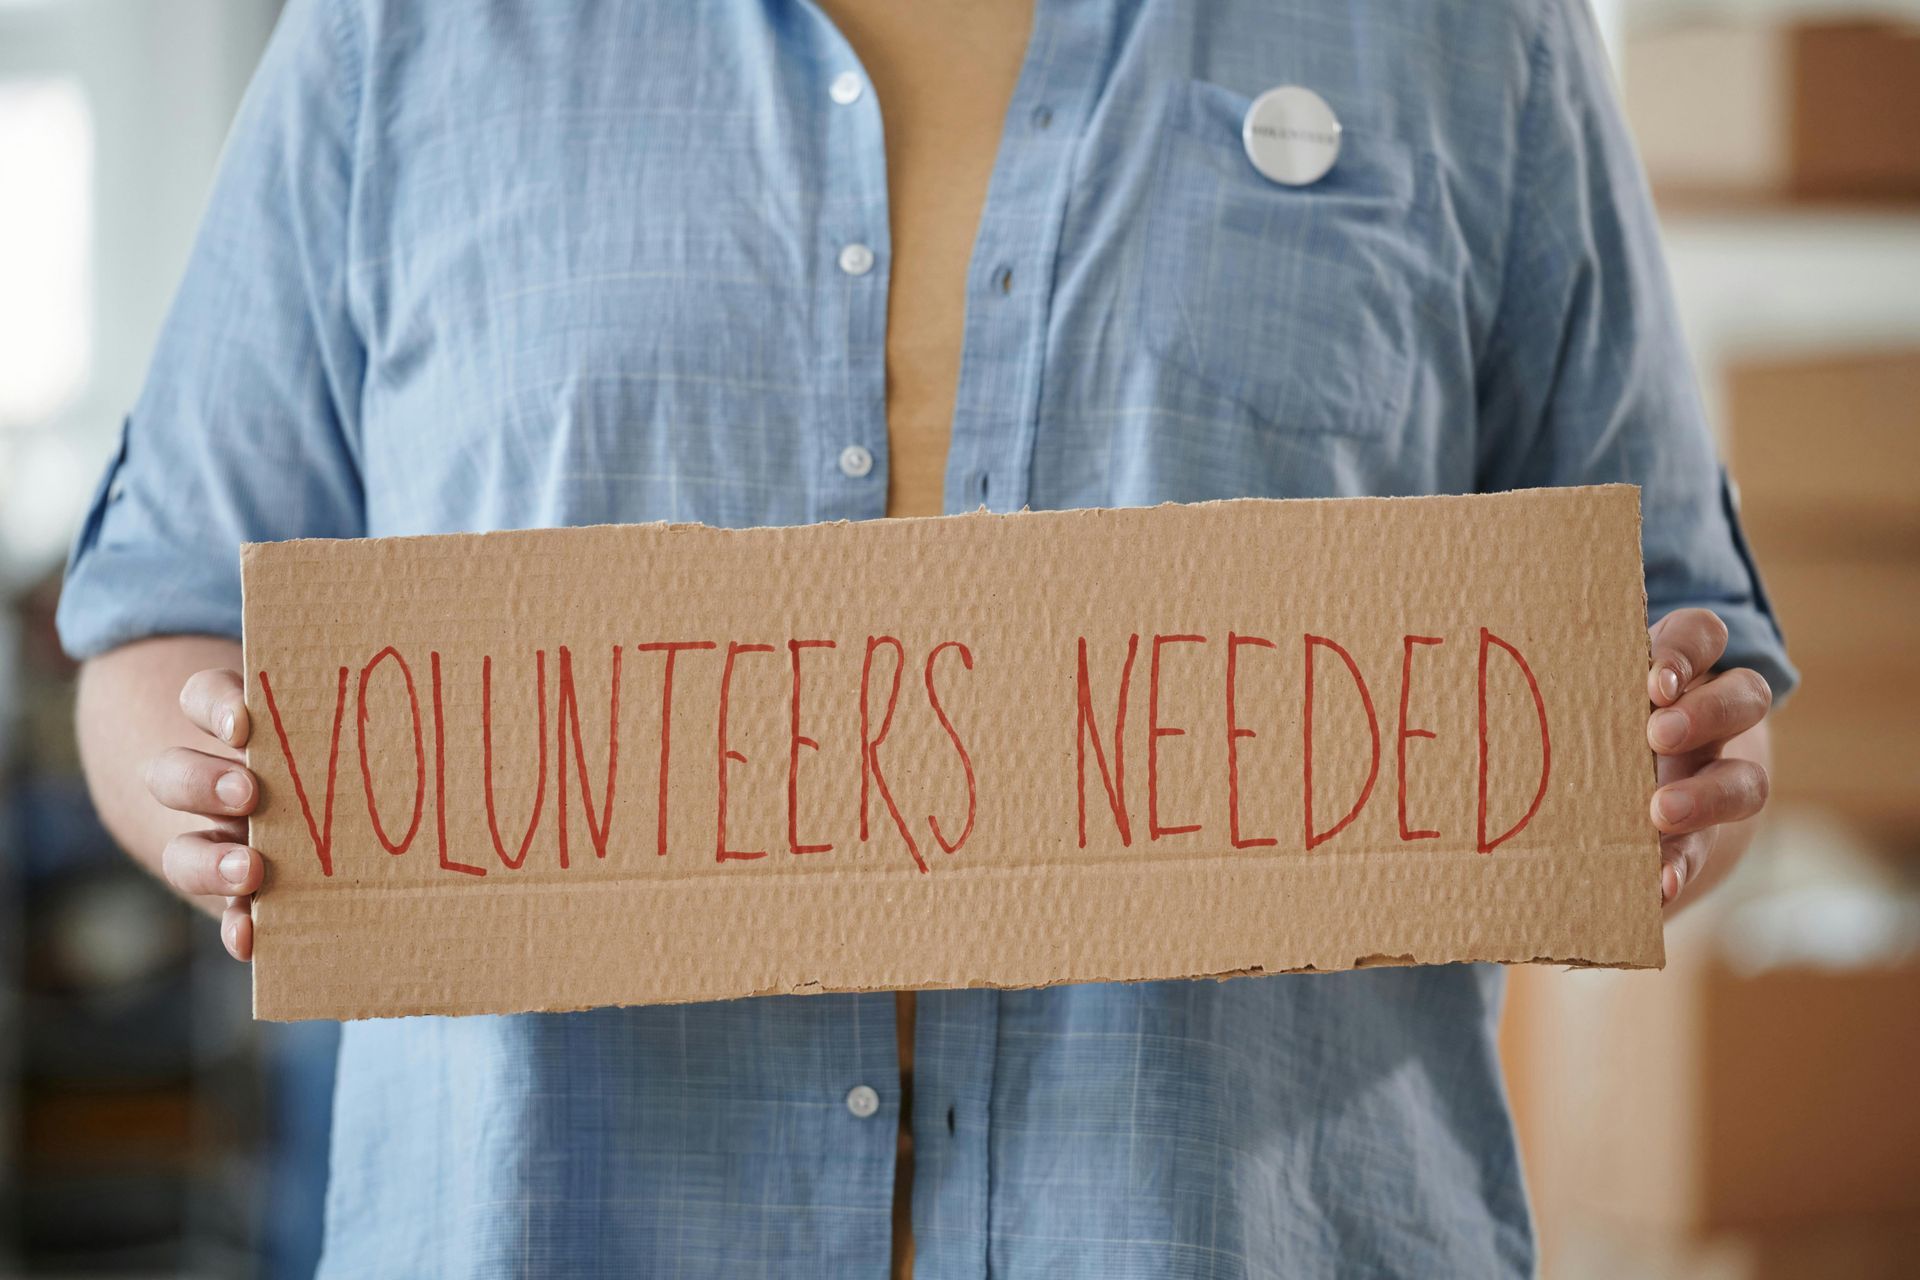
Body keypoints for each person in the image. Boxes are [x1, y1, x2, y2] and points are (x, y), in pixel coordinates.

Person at [57, 1, 1791, 1276]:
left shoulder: (1466, 37)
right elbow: (161, 615)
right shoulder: (398, 38)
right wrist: (202, 781)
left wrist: (1676, 767)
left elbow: (1657, 631)